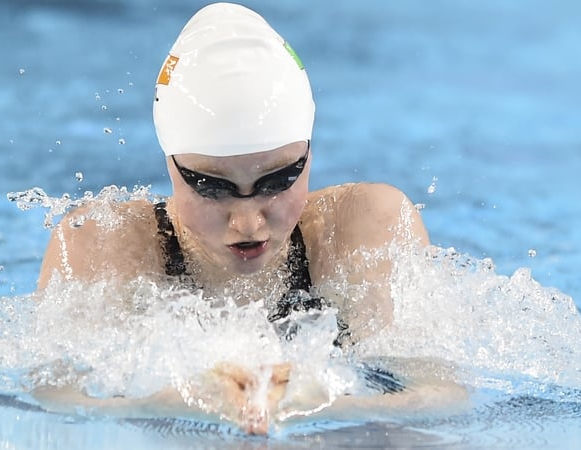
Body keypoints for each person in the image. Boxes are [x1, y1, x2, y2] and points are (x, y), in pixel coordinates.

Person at [35, 2, 461, 435]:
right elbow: (54, 406)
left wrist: (315, 398)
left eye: (278, 181)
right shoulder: (102, 242)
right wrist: (183, 403)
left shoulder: (363, 227)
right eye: (212, 188)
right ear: (171, 166)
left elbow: (442, 397)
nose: (248, 222)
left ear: (309, 155)